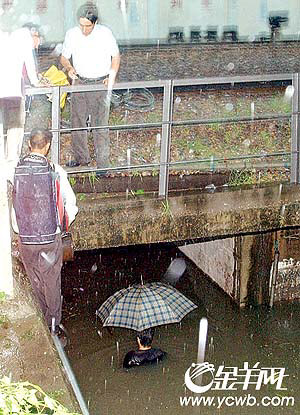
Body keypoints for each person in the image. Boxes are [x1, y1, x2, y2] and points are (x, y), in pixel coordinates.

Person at [11, 129, 78, 346]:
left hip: (26, 238)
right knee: (52, 282)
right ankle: (54, 324)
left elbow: (14, 206)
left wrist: (19, 228)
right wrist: (63, 224)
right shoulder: (55, 171)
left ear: (30, 144)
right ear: (47, 145)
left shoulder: (14, 170)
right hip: (50, 238)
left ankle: (42, 316)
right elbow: (71, 205)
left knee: (35, 279)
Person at [60, 2, 120, 169]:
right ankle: (82, 159)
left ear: (95, 22)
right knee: (77, 123)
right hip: (79, 82)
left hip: (100, 83)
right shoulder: (72, 34)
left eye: (88, 26)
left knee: (100, 124)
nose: (84, 30)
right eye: (81, 25)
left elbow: (115, 57)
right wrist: (69, 68)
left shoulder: (105, 34)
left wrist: (111, 77)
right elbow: (64, 57)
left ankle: (103, 165)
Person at [0, 24, 41, 169]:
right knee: (15, 130)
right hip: (13, 93)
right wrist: (37, 82)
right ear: (33, 34)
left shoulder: (5, 37)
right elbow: (29, 64)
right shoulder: (24, 37)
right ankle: (11, 164)